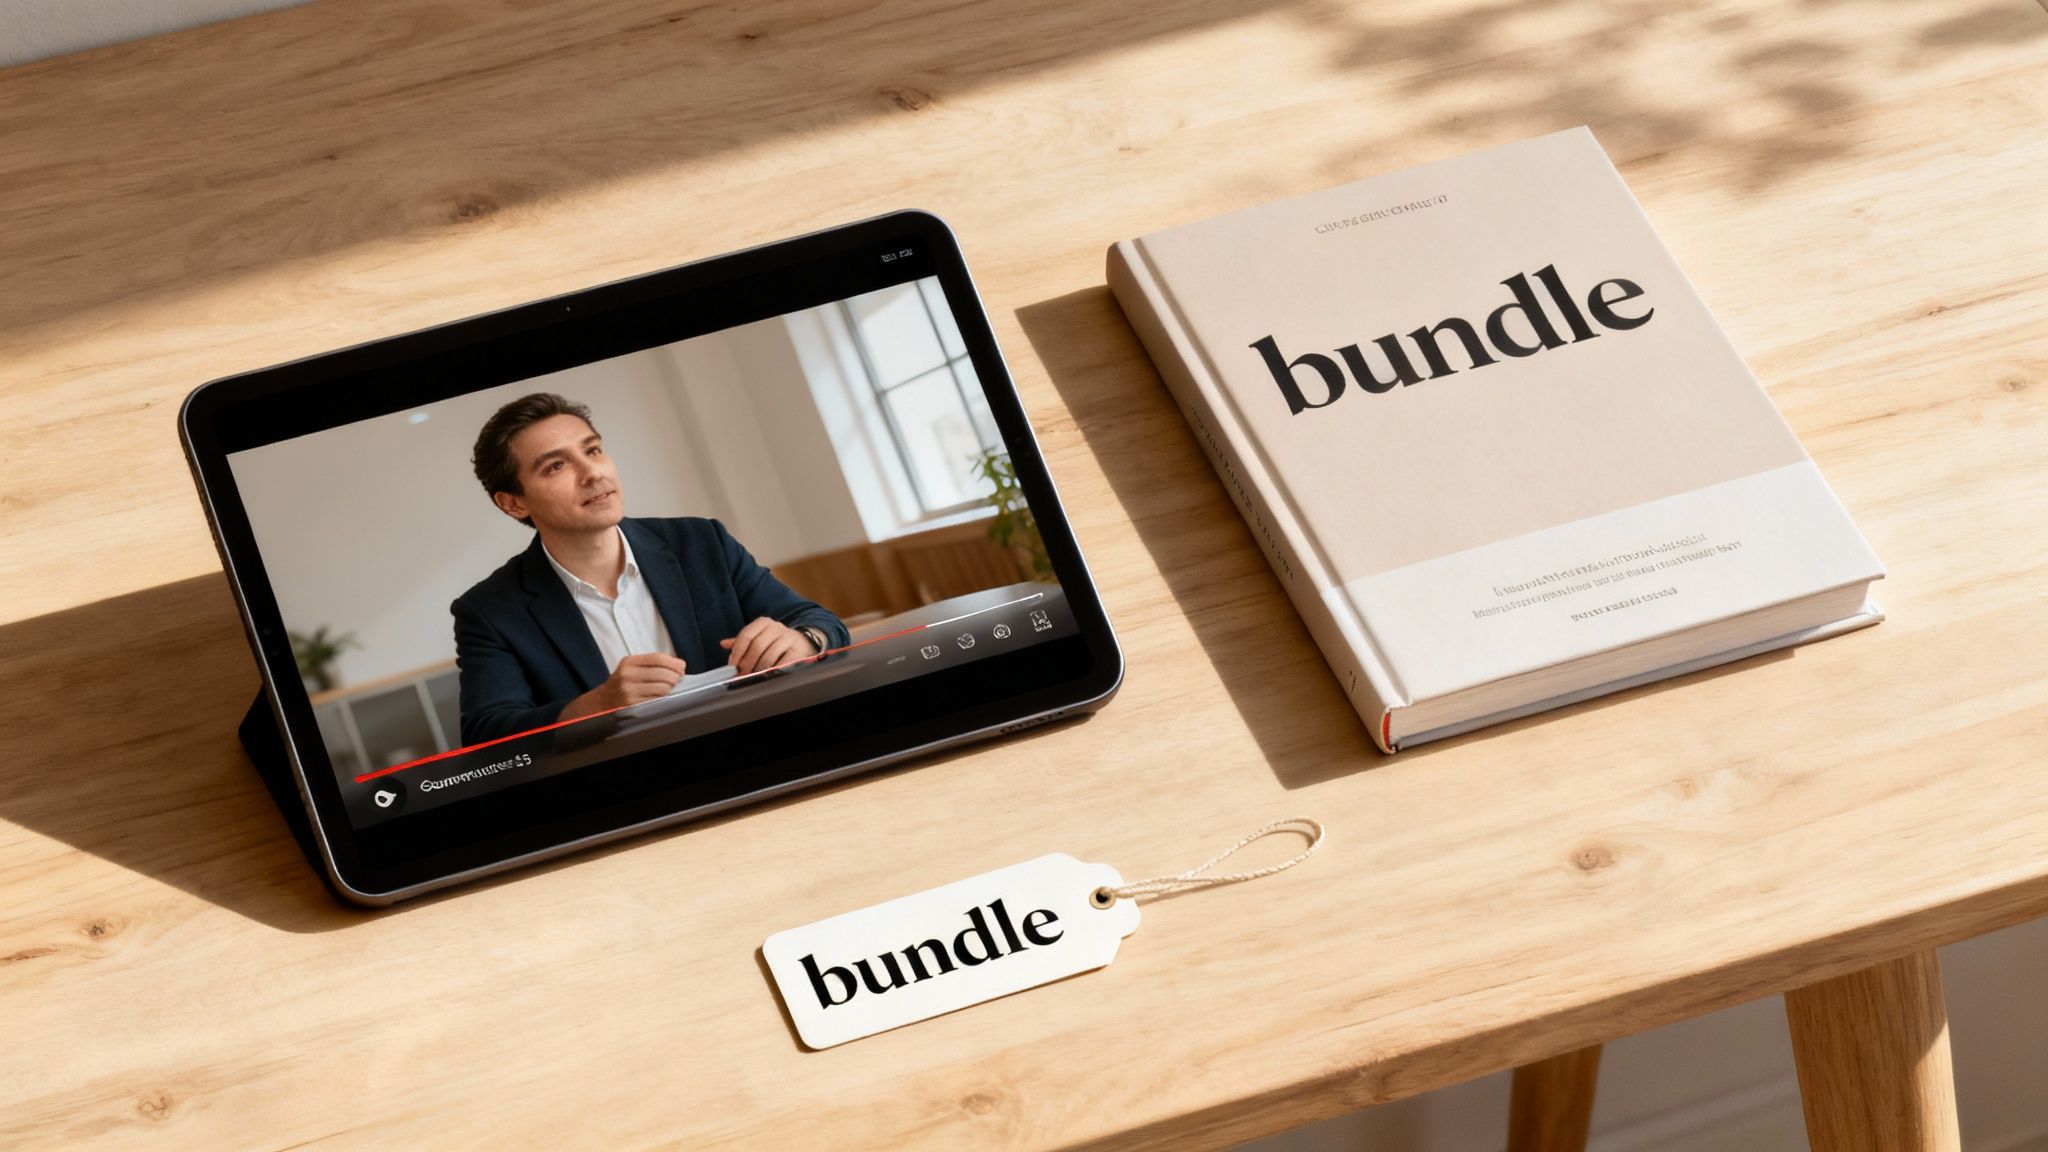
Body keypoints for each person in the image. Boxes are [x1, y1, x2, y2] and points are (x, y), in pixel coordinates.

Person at [450, 392, 849, 745]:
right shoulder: (489, 611)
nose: (594, 473)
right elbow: (490, 736)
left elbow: (817, 621)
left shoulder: (702, 541)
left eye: (592, 450)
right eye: (556, 466)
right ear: (513, 503)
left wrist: (806, 641)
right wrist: (600, 705)